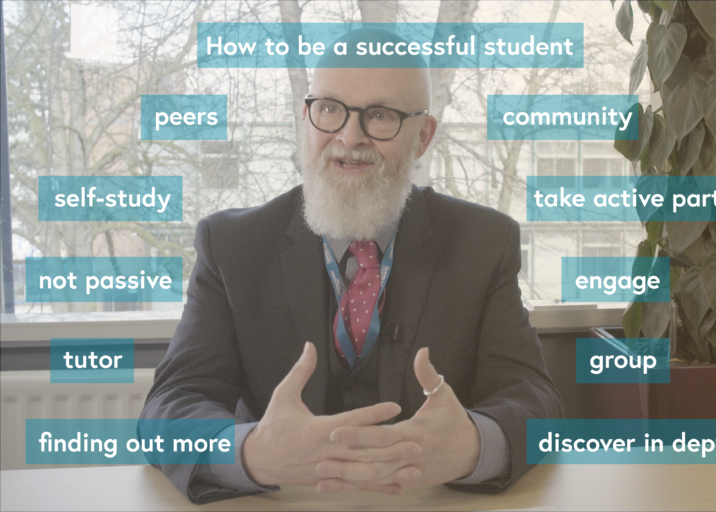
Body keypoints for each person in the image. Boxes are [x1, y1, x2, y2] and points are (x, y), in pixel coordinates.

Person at [140, 29, 563, 504]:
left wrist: (473, 444)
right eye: (329, 109)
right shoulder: (231, 246)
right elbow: (168, 407)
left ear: (423, 136)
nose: (348, 136)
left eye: (379, 115)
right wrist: (254, 452)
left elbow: (534, 400)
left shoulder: (484, 244)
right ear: (307, 118)